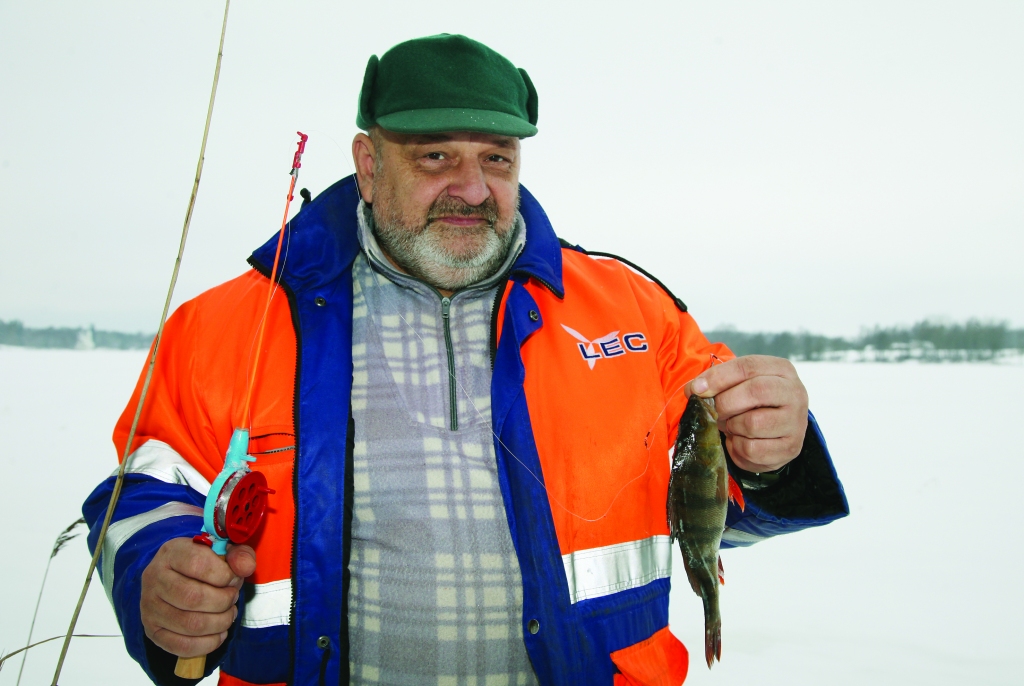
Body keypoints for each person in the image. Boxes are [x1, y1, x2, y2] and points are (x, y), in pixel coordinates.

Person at [84, 34, 848, 686]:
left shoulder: (635, 311)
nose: (473, 187)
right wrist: (155, 569)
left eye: (497, 156)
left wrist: (775, 446)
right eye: (435, 155)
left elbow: (721, 498)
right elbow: (144, 490)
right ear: (367, 160)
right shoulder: (228, 325)